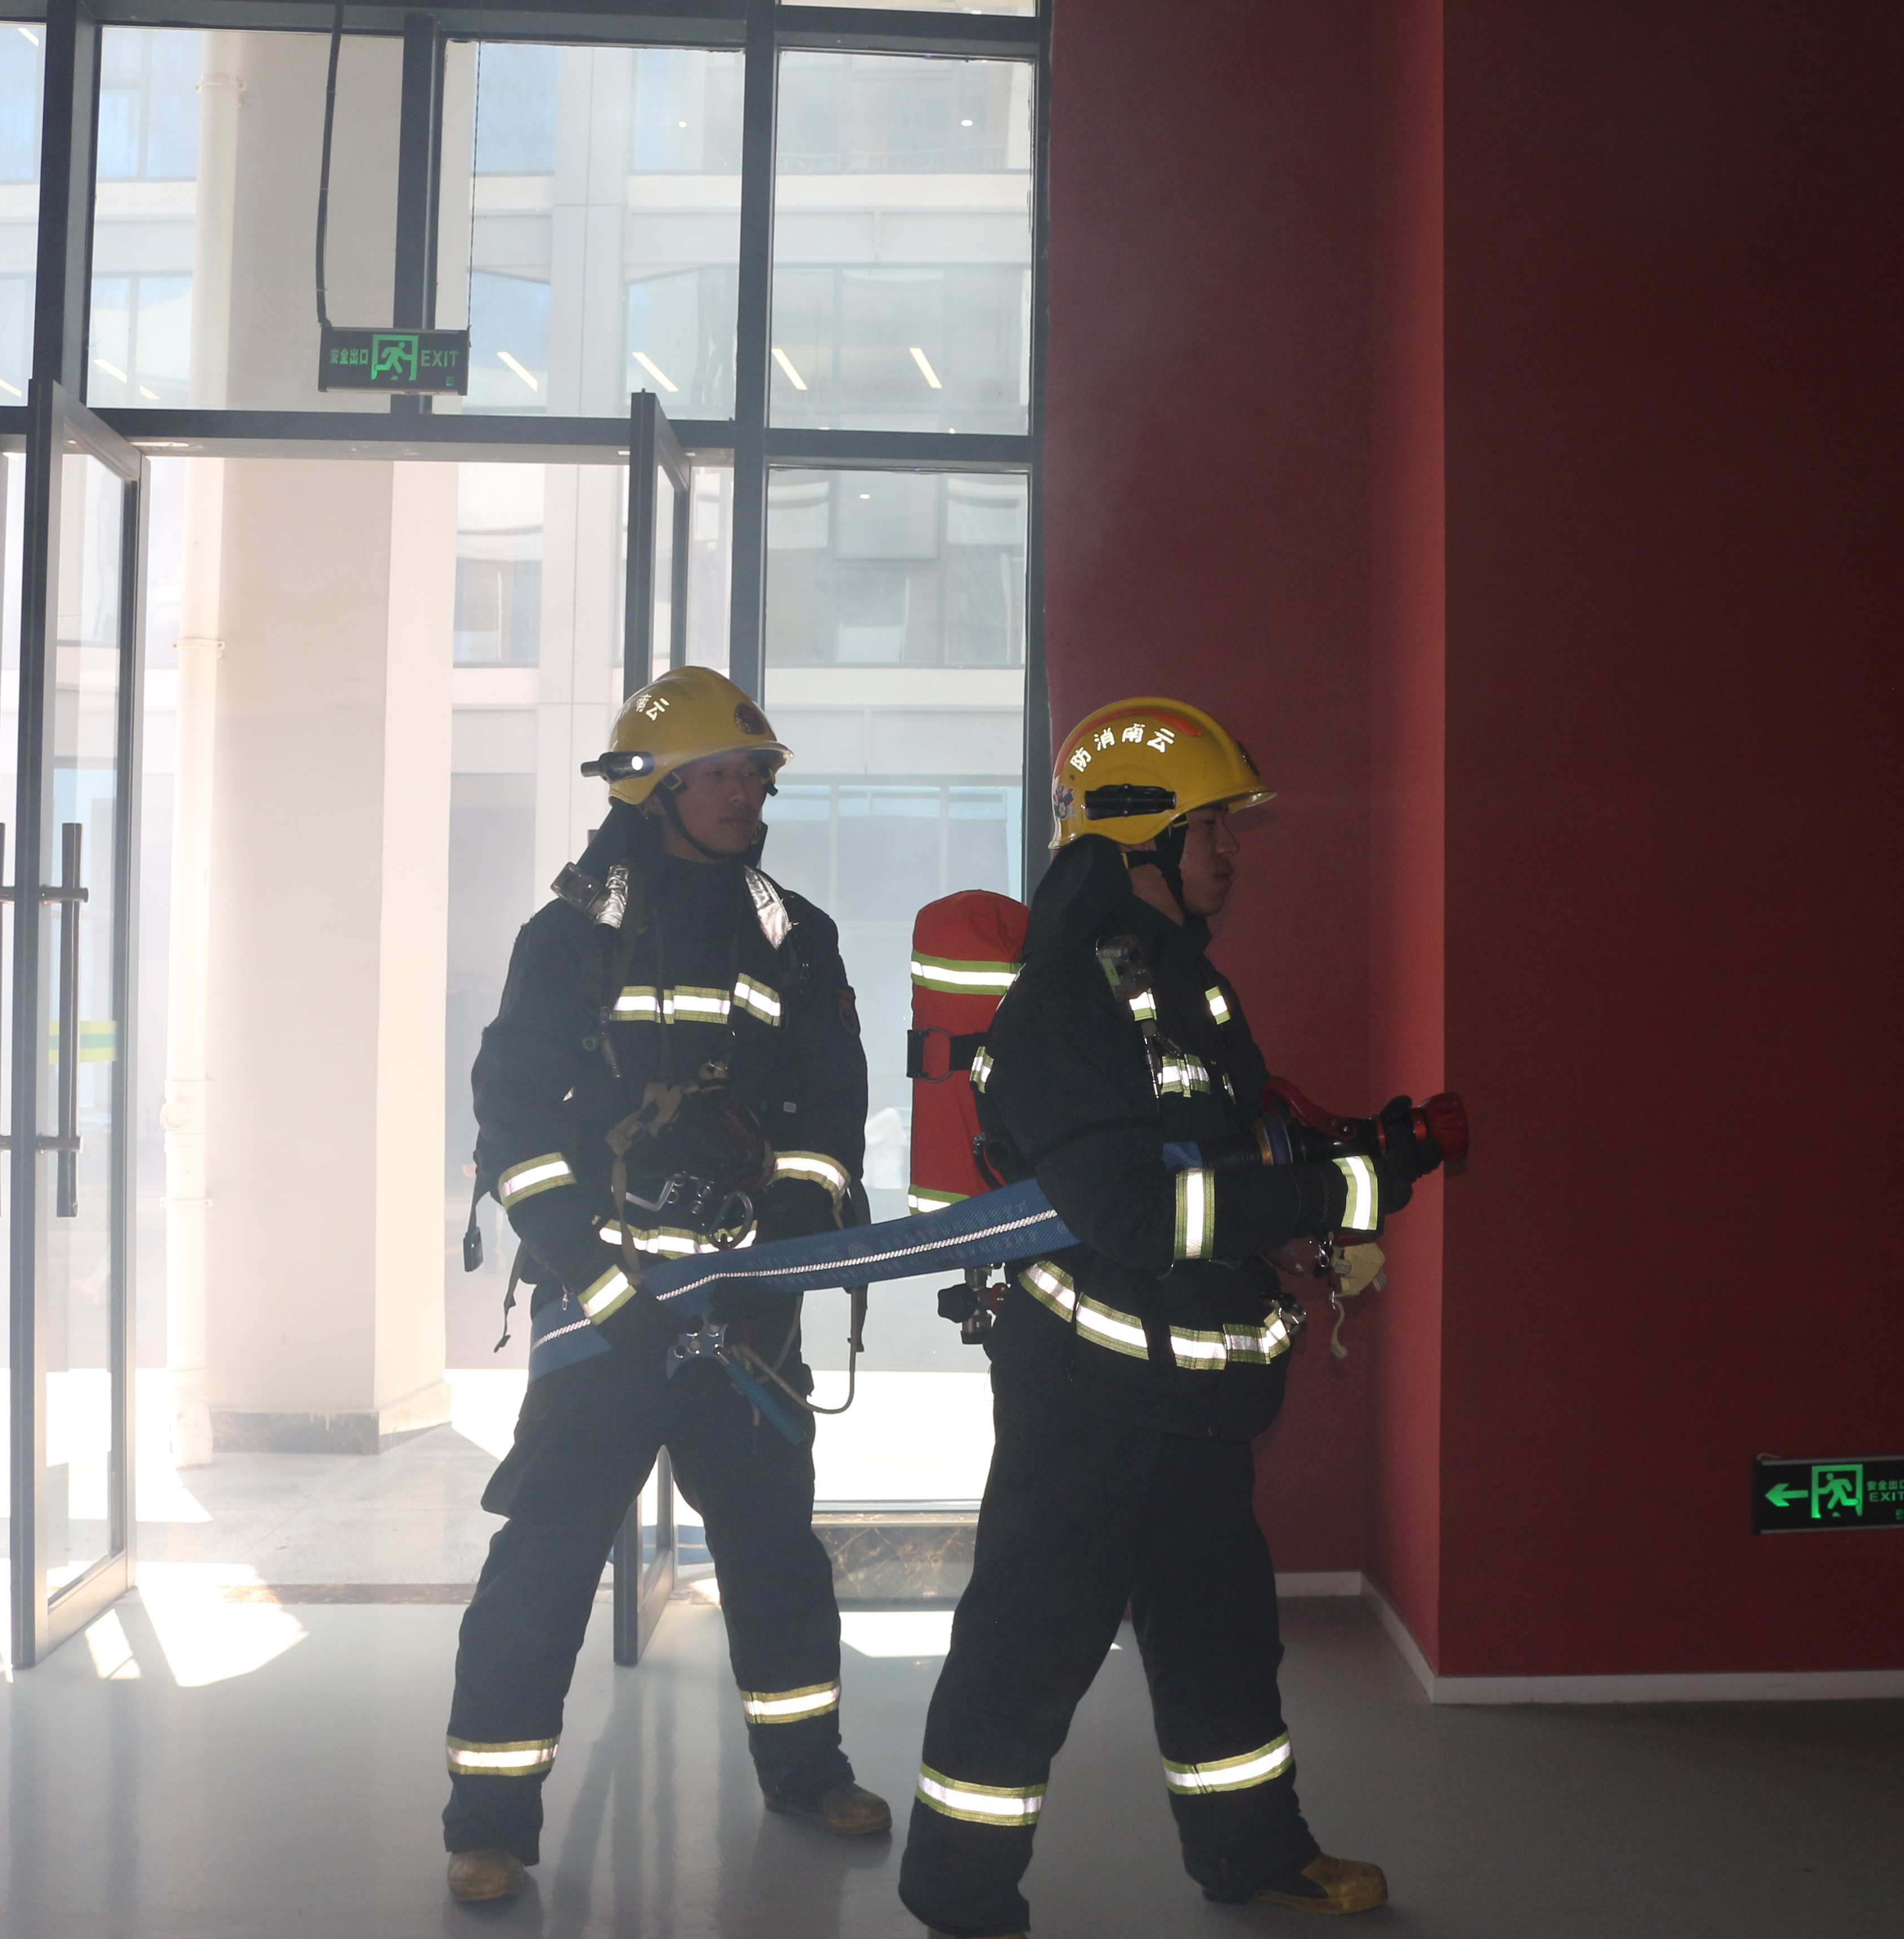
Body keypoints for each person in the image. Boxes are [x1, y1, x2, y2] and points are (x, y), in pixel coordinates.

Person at [898, 697, 1444, 1938]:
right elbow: (1135, 1214)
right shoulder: (1064, 1003)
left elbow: (1215, 1165)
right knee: (1031, 1647)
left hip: (1194, 1394)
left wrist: (1304, 1200)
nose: (1232, 852)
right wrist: (1331, 1193)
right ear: (1136, 837)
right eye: (1213, 828)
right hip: (1088, 1398)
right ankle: (960, 1895)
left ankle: (1253, 1852)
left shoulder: (1181, 984)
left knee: (1221, 1640)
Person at [441, 667, 887, 1903]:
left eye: (755, 775)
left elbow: (832, 1117)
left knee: (775, 1554)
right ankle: (489, 1824)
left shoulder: (796, 936)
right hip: (606, 1308)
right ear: (656, 790)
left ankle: (808, 1774)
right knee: (545, 1561)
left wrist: (781, 1235)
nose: (746, 794)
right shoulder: (569, 937)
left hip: (746, 1309)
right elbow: (514, 1124)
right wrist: (595, 1276)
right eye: (720, 775)